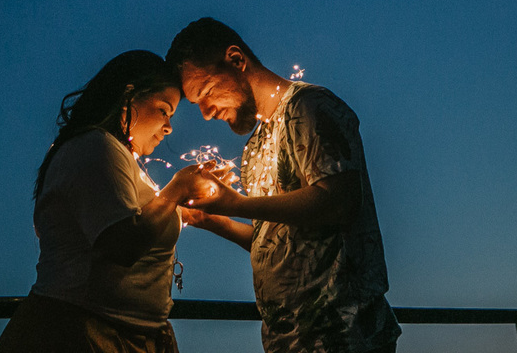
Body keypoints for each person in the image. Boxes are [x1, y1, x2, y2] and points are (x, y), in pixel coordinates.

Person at [166, 17, 402, 353]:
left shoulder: (310, 106)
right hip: (289, 341)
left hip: (343, 335)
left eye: (206, 93)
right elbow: (281, 242)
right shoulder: (255, 147)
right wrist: (214, 221)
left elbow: (340, 201)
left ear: (236, 60)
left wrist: (235, 203)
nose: (206, 112)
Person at [0, 50, 214, 353]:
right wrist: (177, 188)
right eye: (164, 110)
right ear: (129, 97)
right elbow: (120, 243)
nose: (169, 127)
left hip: (120, 335)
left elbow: (136, 218)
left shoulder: (120, 158)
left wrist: (183, 207)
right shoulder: (94, 147)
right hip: (79, 335)